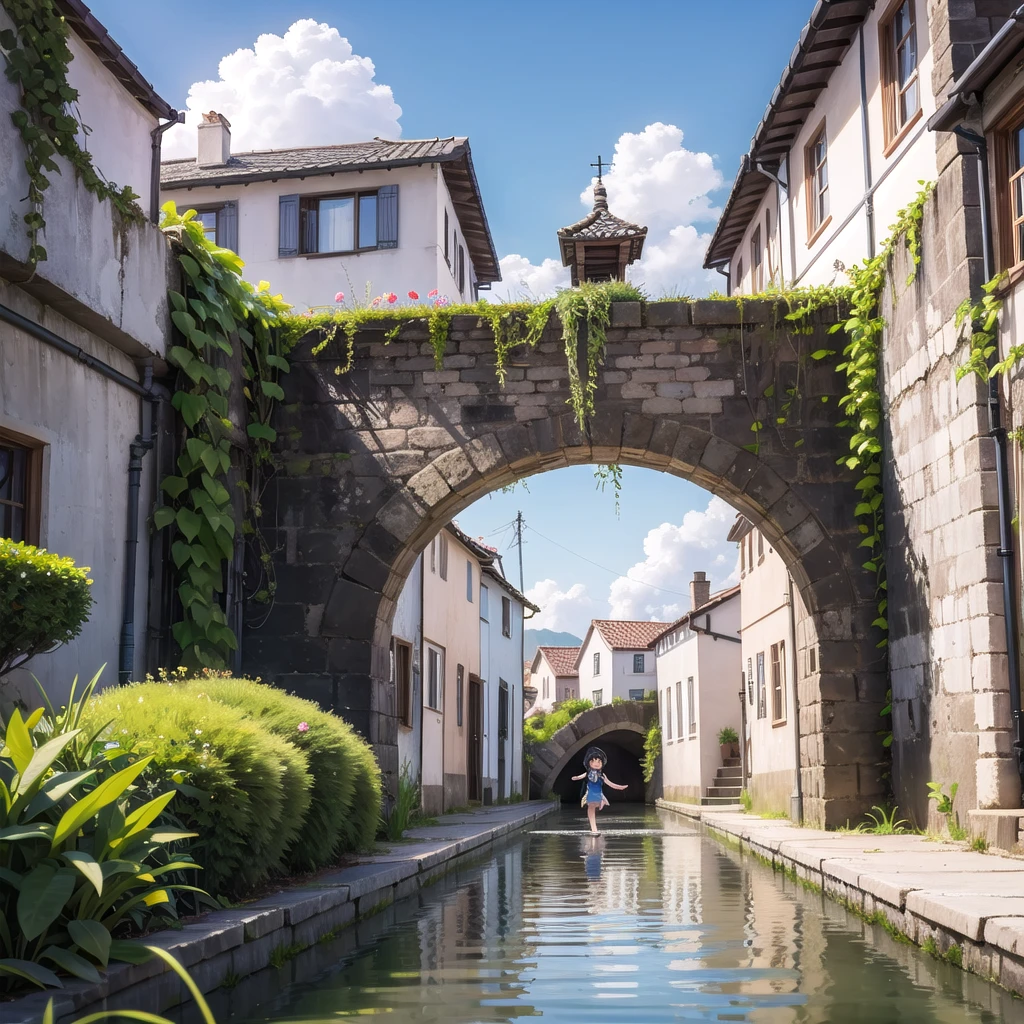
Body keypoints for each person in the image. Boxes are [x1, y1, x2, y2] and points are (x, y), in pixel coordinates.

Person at [571, 746, 627, 833]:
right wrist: (575, 778)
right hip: (590, 794)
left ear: (601, 764)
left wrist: (620, 787)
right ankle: (594, 829)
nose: (596, 763)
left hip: (598, 795)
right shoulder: (588, 773)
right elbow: (580, 777)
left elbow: (610, 784)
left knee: (593, 806)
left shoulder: (602, 776)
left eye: (599, 761)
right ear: (589, 762)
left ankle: (602, 803)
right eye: (593, 761)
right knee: (591, 807)